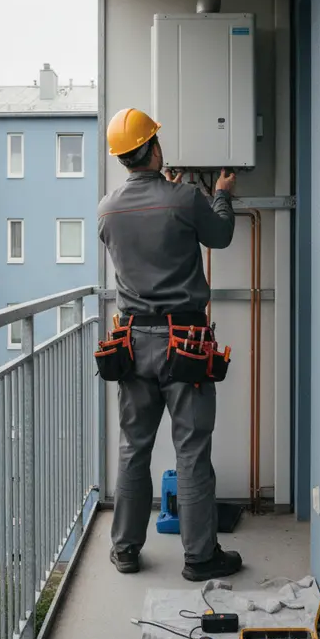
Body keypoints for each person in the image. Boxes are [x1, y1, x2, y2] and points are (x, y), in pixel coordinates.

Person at [97, 106, 242, 581]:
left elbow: (141, 231)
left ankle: (124, 550)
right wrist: (219, 194)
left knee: (133, 448)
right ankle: (200, 558)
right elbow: (218, 235)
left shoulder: (107, 208)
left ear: (123, 157)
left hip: (133, 342)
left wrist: (173, 190)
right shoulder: (183, 199)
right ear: (153, 147)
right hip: (185, 343)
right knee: (192, 450)